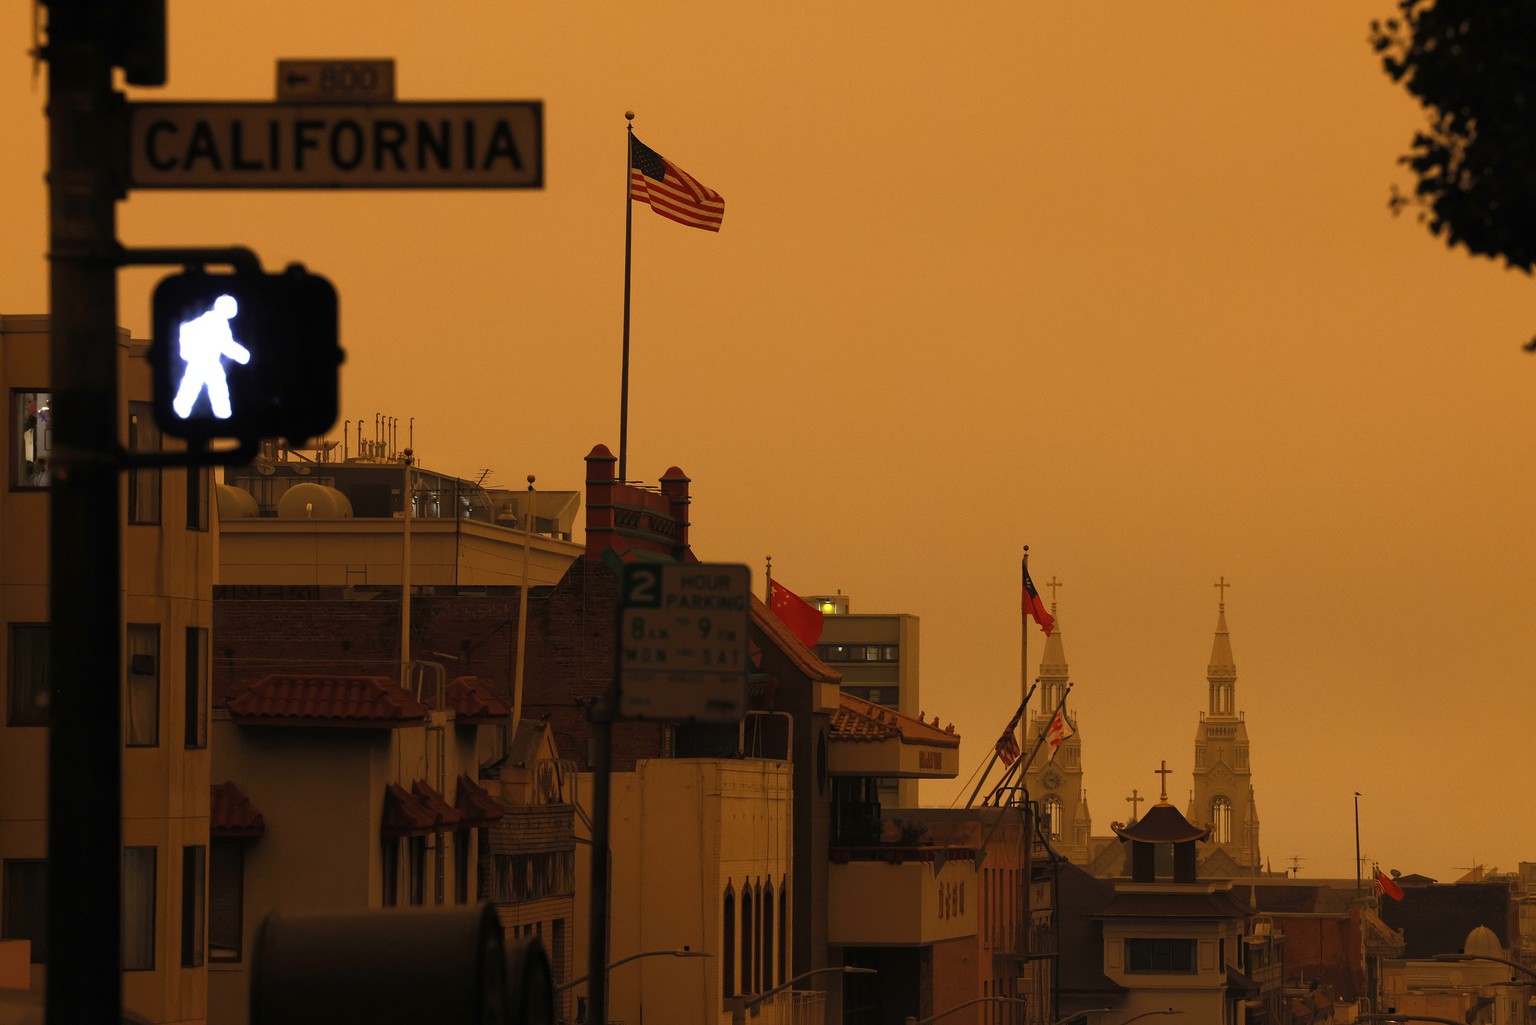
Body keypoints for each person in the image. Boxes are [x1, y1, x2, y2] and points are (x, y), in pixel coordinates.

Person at [171, 294, 250, 420]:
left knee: (197, 386)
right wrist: (242, 355)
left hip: (205, 361)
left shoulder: (213, 319)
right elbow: (225, 344)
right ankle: (221, 415)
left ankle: (183, 409)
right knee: (212, 387)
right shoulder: (216, 321)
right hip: (205, 361)